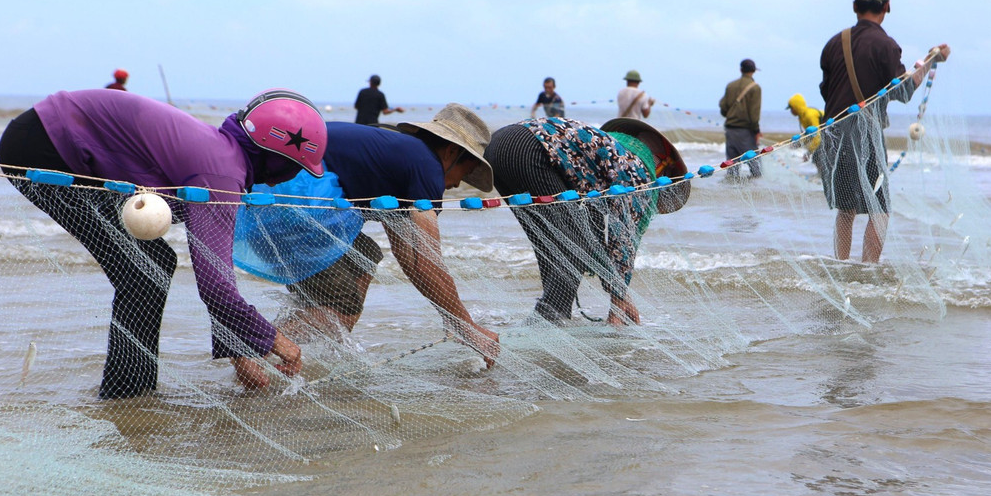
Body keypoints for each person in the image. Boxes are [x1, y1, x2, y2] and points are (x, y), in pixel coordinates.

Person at [0, 88, 328, 398]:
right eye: (296, 167)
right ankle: (126, 397)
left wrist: (240, 349)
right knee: (142, 271)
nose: (291, 177)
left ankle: (132, 391)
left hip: (44, 135)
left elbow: (215, 274)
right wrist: (274, 340)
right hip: (45, 145)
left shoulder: (221, 155)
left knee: (152, 264)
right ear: (275, 157)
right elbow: (215, 285)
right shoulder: (221, 175)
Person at [234, 105, 500, 366]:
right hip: (294, 208)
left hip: (272, 205)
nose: (455, 185)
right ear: (451, 150)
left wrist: (453, 318)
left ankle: (281, 347)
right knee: (341, 308)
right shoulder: (426, 165)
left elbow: (410, 257)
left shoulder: (398, 150)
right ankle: (252, 348)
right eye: (464, 173)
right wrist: (467, 327)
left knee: (364, 256)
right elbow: (427, 260)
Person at [484, 115, 689, 325]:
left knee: (551, 246)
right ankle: (549, 325)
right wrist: (618, 300)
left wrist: (619, 293)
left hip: (500, 145)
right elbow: (624, 238)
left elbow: (597, 235)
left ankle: (553, 320)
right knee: (573, 245)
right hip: (529, 148)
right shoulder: (636, 171)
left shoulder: (602, 164)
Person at [818, 0, 951, 262]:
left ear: (855, 6)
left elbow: (825, 90)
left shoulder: (833, 44)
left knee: (846, 209)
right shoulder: (885, 45)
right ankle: (868, 271)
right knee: (879, 209)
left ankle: (841, 265)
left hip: (832, 136)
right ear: (887, 7)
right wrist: (928, 62)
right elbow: (901, 91)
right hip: (866, 137)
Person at [718, 59, 763, 178]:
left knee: (732, 170)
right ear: (753, 71)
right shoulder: (755, 88)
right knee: (756, 169)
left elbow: (723, 107)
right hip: (746, 132)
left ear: (741, 70)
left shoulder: (730, 85)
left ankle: (731, 194)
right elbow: (754, 114)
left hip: (730, 131)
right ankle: (757, 193)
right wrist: (756, 131)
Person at [787, 93, 825, 175]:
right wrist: (799, 144)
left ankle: (822, 176)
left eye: (791, 108)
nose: (791, 111)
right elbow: (809, 136)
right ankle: (821, 176)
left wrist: (809, 152)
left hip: (827, 134)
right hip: (823, 136)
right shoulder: (802, 117)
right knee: (817, 158)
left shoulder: (809, 115)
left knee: (818, 157)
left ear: (796, 107)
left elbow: (817, 136)